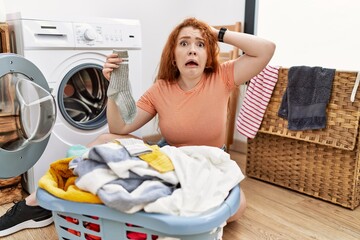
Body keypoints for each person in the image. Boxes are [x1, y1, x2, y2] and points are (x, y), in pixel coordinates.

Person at [0, 17, 275, 237]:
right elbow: (119, 127)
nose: (192, 48)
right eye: (184, 43)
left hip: (208, 161)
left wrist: (213, 32)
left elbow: (266, 49)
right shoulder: (161, 89)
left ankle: (142, 214)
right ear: (173, 56)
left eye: (200, 44)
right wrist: (112, 87)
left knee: (237, 208)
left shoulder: (223, 76)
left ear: (208, 54)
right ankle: (38, 203)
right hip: (168, 159)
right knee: (105, 138)